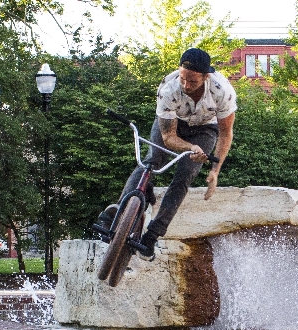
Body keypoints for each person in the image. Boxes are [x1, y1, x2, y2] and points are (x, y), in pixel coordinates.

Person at [96, 48, 237, 260]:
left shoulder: (222, 91)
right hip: (173, 124)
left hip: (204, 129)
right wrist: (189, 148)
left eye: (193, 82)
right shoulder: (168, 89)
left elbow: (226, 134)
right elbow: (169, 137)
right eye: (183, 79)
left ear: (206, 77)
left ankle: (152, 234)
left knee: (185, 176)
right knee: (151, 162)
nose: (186, 86)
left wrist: (215, 171)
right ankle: (119, 212)